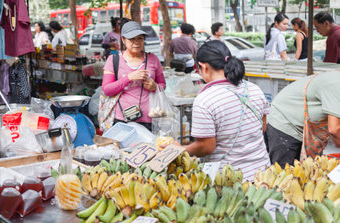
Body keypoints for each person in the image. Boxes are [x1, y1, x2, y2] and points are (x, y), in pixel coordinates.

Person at [179, 40, 270, 181]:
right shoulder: (253, 88)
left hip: (230, 180)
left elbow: (206, 147)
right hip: (263, 174)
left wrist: (181, 149)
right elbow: (263, 126)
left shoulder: (205, 99)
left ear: (204, 66)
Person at [102, 21, 166, 131]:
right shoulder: (113, 60)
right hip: (122, 118)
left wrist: (155, 86)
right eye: (132, 39)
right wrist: (129, 78)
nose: (136, 42)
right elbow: (107, 90)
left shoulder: (153, 59)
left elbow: (163, 85)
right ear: (123, 39)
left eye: (140, 38)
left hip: (150, 117)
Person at [267, 71, 340, 166]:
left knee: (312, 171)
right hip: (285, 122)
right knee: (287, 173)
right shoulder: (336, 84)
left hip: (308, 129)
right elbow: (334, 130)